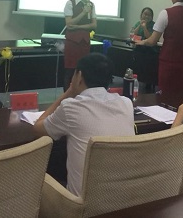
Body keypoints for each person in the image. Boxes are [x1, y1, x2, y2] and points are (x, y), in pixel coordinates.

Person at [33, 53, 134, 197]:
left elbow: (38, 128)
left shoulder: (70, 107)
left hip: (81, 204)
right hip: (123, 199)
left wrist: (68, 92)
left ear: (79, 76)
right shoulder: (126, 103)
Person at [63, 0, 97, 90]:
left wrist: (78, 27)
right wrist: (84, 12)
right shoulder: (70, 3)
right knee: (70, 71)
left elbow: (94, 25)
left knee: (84, 71)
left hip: (85, 42)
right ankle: (67, 97)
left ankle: (81, 95)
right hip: (72, 42)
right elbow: (69, 24)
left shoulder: (91, 5)